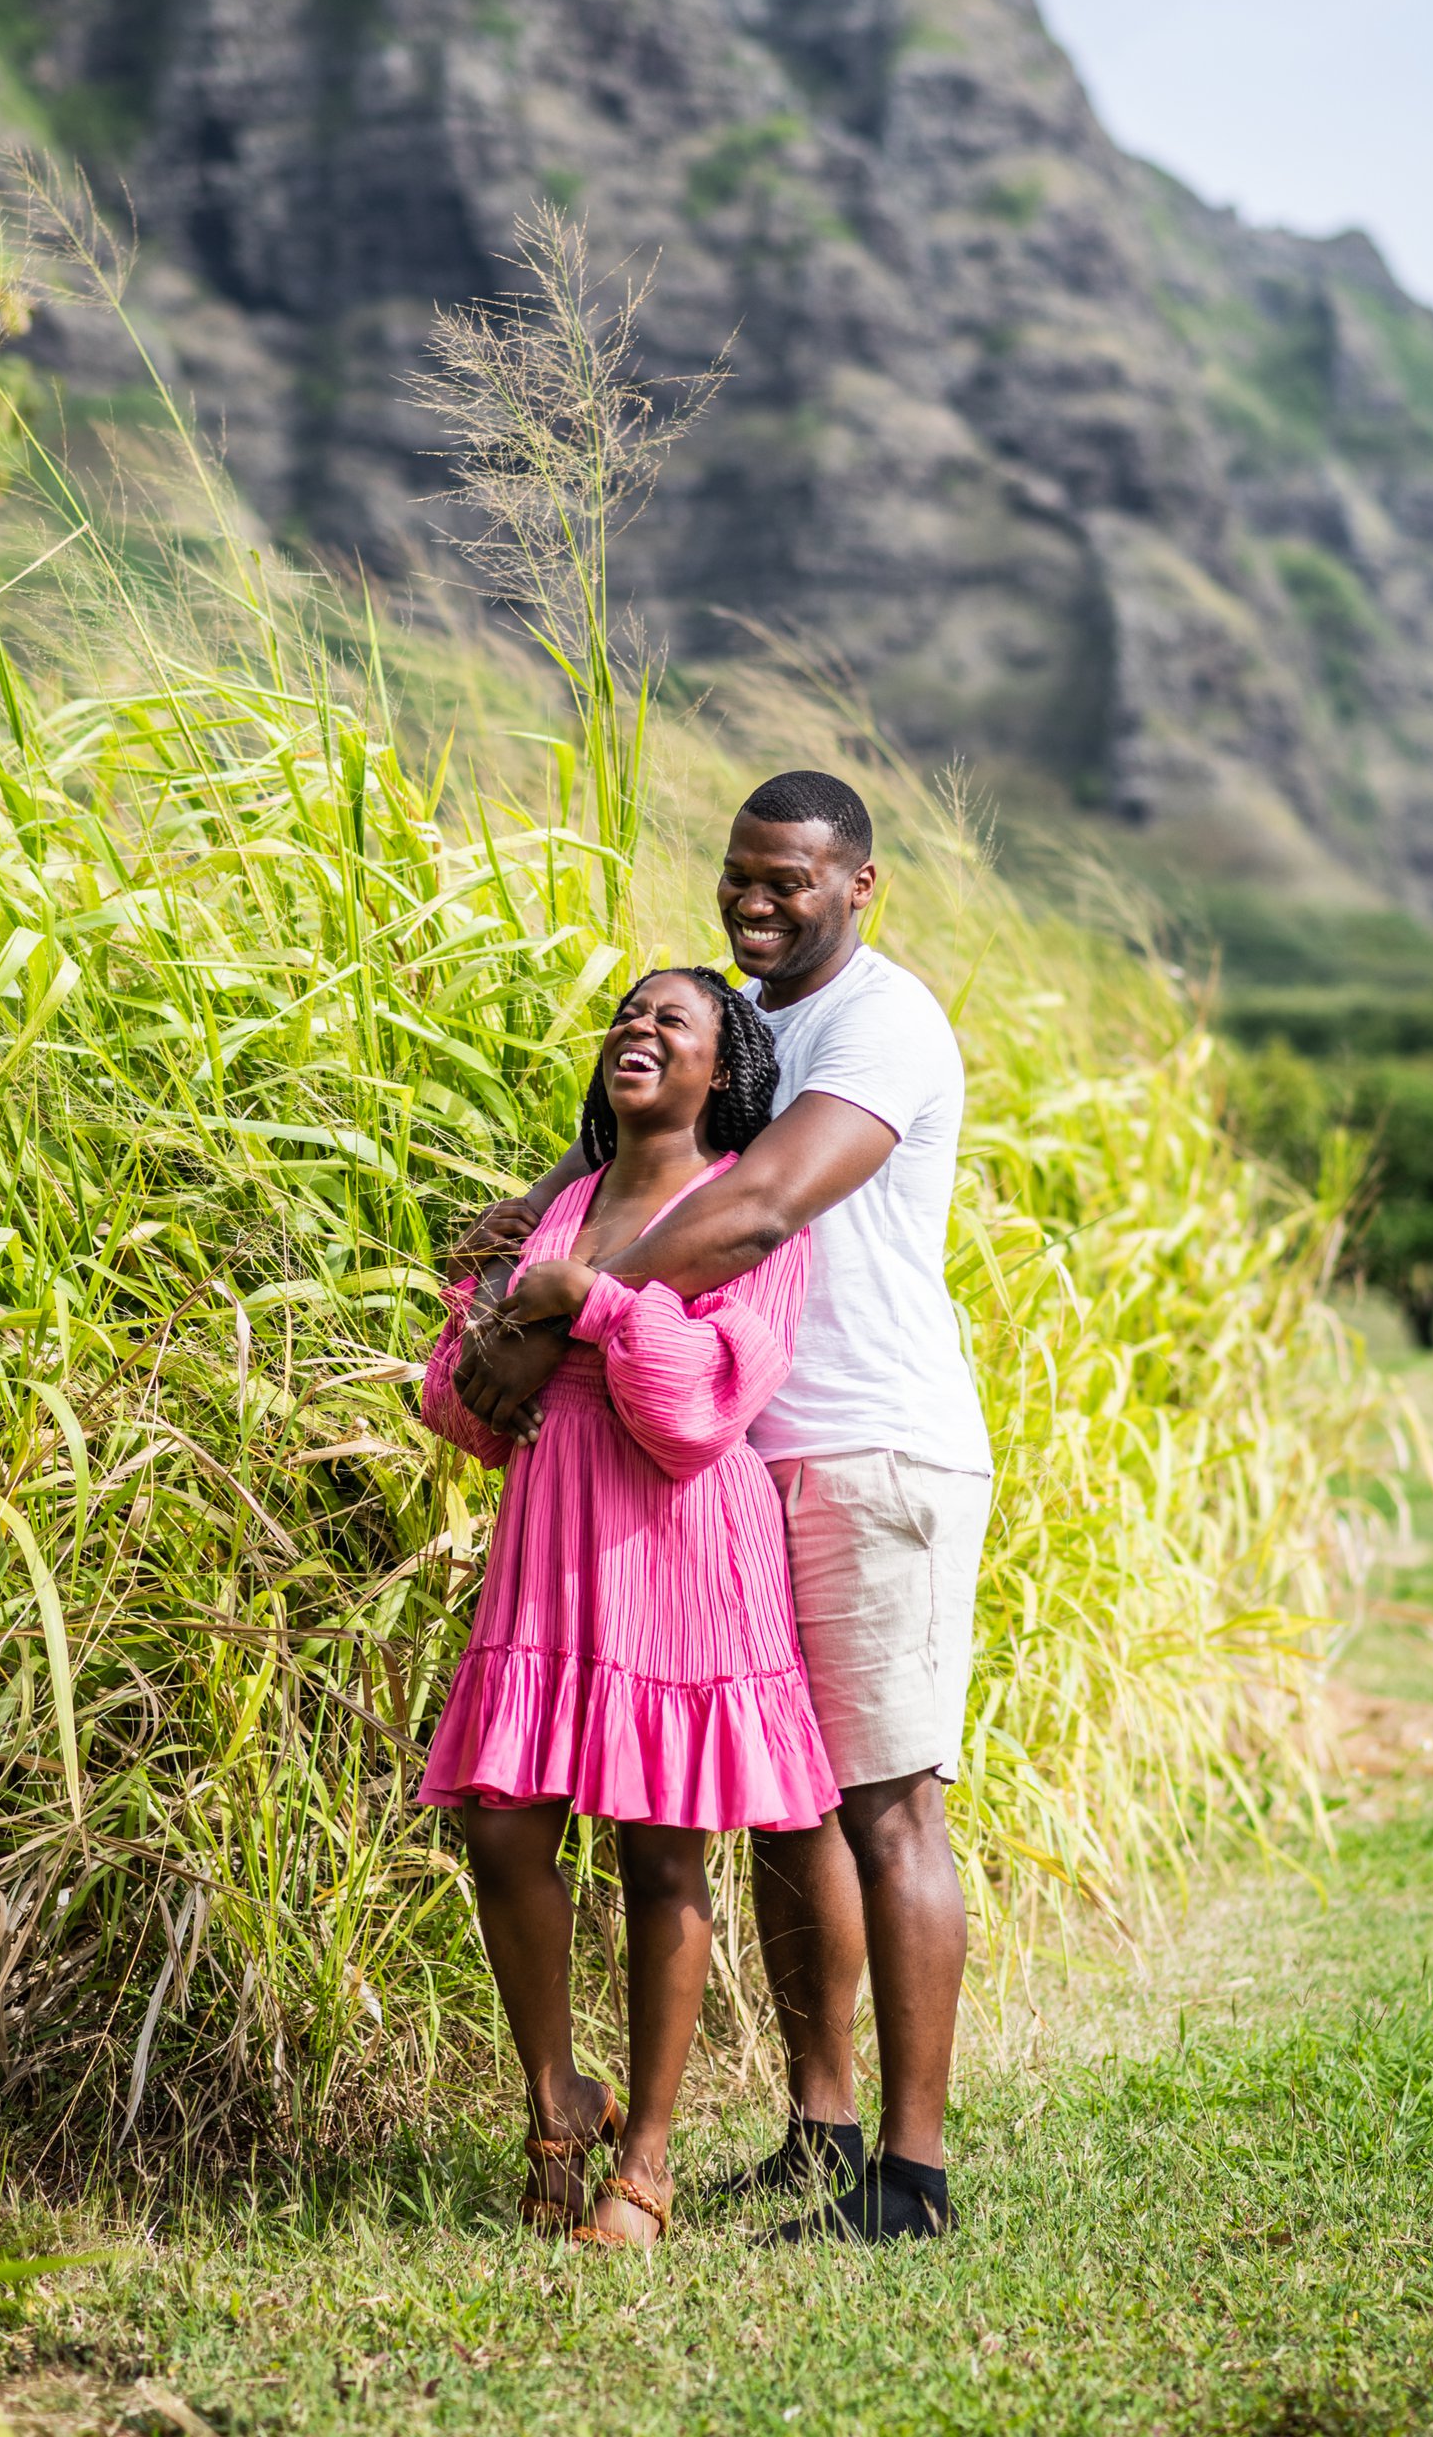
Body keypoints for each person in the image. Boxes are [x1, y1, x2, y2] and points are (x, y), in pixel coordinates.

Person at [455, 770, 993, 2244]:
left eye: (788, 881)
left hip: (873, 1447)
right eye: (739, 875)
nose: (755, 901)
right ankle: (821, 2134)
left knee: (889, 1805)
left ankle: (911, 2176)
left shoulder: (884, 1021)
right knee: (780, 1807)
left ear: (860, 886)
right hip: (737, 1472)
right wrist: (534, 1222)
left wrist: (557, 1314)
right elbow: (619, 1165)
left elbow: (753, 1212)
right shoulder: (739, 1023)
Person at [417, 965, 839, 2252]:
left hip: (680, 1542)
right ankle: (558, 2100)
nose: (637, 1030)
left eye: (673, 1020)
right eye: (627, 1013)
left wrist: (586, 1304)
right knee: (500, 1826)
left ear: (726, 1069)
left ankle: (644, 2163)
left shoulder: (751, 1210)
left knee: (663, 1854)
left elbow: (701, 1410)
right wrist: (501, 1315)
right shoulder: (564, 1203)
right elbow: (462, 1397)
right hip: (550, 1544)